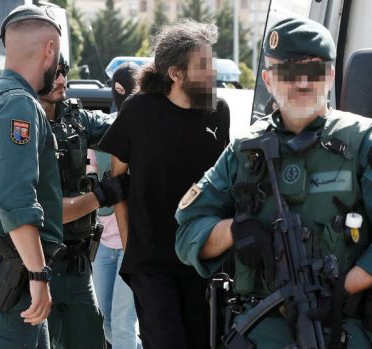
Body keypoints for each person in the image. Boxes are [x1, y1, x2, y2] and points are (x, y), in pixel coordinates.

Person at [175, 17, 372, 348]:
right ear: (268, 78)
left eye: (314, 71)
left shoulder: (364, 143)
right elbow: (188, 232)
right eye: (288, 72)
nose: (302, 83)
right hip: (260, 330)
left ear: (331, 76)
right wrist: (236, 230)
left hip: (338, 328)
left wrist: (340, 288)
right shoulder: (244, 150)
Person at [99, 19, 231, 349]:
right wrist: (132, 248)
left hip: (202, 258)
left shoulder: (219, 111)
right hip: (152, 264)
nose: (213, 72)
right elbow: (117, 183)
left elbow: (224, 183)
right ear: (175, 73)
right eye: (204, 65)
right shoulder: (138, 111)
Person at [0, 4, 62, 348]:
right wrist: (38, 274)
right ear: (50, 49)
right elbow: (16, 199)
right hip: (8, 277)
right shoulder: (17, 104)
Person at [38, 54, 128, 349]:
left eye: (63, 72)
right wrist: (101, 196)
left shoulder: (75, 119)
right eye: (54, 75)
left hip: (77, 267)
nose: (62, 80)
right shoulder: (22, 127)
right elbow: (48, 212)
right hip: (38, 267)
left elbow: (123, 127)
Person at [91, 62, 143, 349]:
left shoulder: (147, 132)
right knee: (108, 323)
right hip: (102, 242)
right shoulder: (101, 130)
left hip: (132, 241)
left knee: (123, 324)